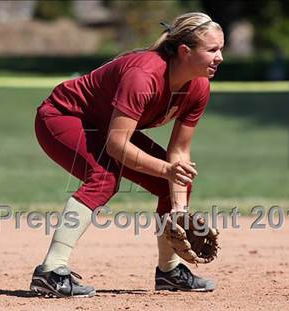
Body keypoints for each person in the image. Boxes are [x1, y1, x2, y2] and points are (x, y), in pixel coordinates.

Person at [30, 12, 224, 297]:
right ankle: (51, 270)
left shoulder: (198, 87)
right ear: (185, 51)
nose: (220, 57)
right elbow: (116, 146)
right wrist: (166, 170)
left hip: (104, 126)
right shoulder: (144, 76)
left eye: (221, 49)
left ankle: (169, 272)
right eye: (212, 50)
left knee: (174, 180)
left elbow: (179, 151)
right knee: (104, 177)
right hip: (63, 116)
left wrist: (179, 212)